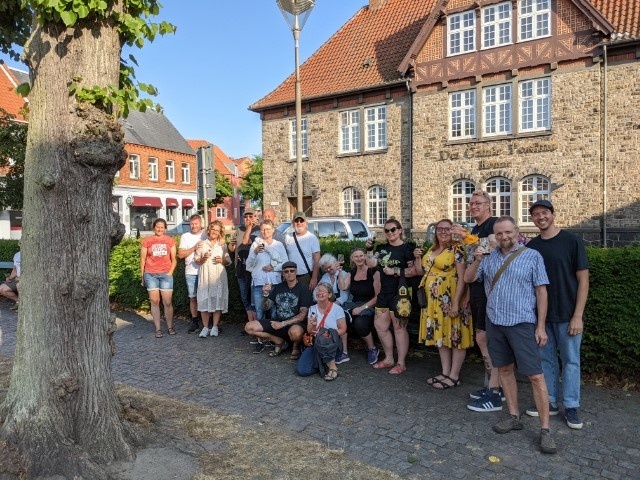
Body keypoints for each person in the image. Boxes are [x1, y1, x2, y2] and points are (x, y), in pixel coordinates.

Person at [464, 216, 557, 454]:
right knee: (504, 370)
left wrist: (540, 326)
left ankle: (545, 429)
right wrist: (476, 260)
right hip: (495, 323)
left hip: (523, 324)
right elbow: (468, 278)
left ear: (516, 231)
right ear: (494, 235)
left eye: (508, 232)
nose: (504, 237)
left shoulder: (532, 256)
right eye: (499, 233)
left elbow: (541, 292)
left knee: (536, 376)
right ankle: (514, 416)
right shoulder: (488, 257)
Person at [526, 200, 589, 430]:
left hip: (568, 314)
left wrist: (577, 315)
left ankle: (571, 406)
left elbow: (583, 280)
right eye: (535, 214)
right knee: (546, 360)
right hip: (542, 317)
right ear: (532, 219)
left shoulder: (571, 241)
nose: (540, 217)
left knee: (571, 361)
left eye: (544, 213)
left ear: (553, 214)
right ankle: (550, 401)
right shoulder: (532, 247)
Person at [452, 191, 503, 411]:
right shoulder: (474, 229)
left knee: (488, 340)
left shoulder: (495, 225)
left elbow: (493, 248)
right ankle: (492, 385)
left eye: (478, 203)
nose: (473, 207)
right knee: (482, 338)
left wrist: (467, 239)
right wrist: (467, 295)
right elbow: (473, 261)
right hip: (477, 289)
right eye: (471, 203)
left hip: (492, 291)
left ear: (489, 206)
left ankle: (496, 392)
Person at [417, 219, 472, 389]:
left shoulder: (457, 249)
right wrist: (418, 258)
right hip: (434, 302)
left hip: (450, 298)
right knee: (441, 335)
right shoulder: (432, 249)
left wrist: (456, 302)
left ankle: (454, 376)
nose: (443, 232)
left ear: (453, 231)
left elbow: (463, 278)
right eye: (439, 229)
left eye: (447, 229)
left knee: (455, 336)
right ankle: (445, 372)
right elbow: (423, 271)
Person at [365, 218, 422, 374]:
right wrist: (369, 250)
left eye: (393, 229)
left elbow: (415, 271)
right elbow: (371, 264)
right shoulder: (382, 248)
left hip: (401, 293)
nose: (390, 233)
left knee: (399, 328)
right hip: (384, 293)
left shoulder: (407, 249)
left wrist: (395, 271)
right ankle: (389, 358)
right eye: (387, 230)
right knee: (380, 326)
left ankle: (401, 363)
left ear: (400, 230)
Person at [244, 261, 312, 357]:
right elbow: (265, 307)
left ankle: (296, 346)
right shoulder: (278, 287)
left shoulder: (303, 289)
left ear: (296, 272)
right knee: (249, 327)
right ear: (283, 274)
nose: (289, 273)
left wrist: (283, 324)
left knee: (296, 332)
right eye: (286, 271)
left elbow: (302, 316)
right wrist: (266, 294)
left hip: (295, 324)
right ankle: (279, 342)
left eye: (292, 271)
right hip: (278, 321)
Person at [296, 282, 347, 381]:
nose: (320, 293)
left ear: (330, 294)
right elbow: (310, 331)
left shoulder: (337, 309)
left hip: (332, 343)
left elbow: (343, 329)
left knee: (324, 337)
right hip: (316, 342)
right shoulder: (312, 309)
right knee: (302, 371)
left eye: (323, 291)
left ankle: (333, 368)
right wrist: (313, 325)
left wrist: (330, 334)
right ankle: (323, 362)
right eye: (318, 291)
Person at [338, 247, 381, 365]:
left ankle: (372, 348)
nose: (359, 258)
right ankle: (344, 352)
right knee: (342, 319)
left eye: (361, 255)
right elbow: (343, 287)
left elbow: (378, 297)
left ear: (365, 256)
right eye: (356, 256)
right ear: (352, 259)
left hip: (370, 306)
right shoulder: (351, 273)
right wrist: (340, 272)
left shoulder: (373, 272)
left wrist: (362, 308)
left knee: (360, 324)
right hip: (354, 305)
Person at [140, 218, 177, 338]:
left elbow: (174, 259)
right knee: (155, 302)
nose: (160, 229)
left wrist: (170, 272)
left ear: (165, 228)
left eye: (162, 227)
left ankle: (170, 327)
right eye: (157, 227)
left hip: (166, 274)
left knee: (167, 302)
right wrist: (142, 276)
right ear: (154, 228)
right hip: (150, 274)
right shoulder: (147, 241)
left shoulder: (170, 241)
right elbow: (143, 260)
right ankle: (158, 329)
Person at [246, 219, 288, 324]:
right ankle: (261, 337)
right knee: (260, 312)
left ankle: (273, 337)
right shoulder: (256, 244)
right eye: (263, 230)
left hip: (275, 282)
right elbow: (248, 265)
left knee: (274, 312)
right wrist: (254, 253)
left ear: (273, 230)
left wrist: (273, 267)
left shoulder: (278, 245)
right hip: (259, 282)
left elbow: (285, 263)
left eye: (268, 229)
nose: (265, 232)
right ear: (260, 231)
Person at [194, 221, 232, 338]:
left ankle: (215, 326)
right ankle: (205, 327)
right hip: (205, 275)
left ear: (220, 232)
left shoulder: (222, 245)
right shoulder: (201, 244)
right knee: (204, 300)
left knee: (217, 301)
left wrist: (222, 260)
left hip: (218, 276)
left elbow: (228, 261)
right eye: (213, 229)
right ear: (209, 230)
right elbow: (196, 260)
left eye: (217, 230)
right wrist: (203, 259)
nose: (214, 232)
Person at [228, 208, 261, 327]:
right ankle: (250, 323)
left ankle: (255, 324)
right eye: (246, 216)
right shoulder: (238, 229)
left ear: (255, 217)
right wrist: (231, 246)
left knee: (254, 298)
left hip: (254, 271)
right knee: (244, 297)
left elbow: (246, 242)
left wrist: (249, 228)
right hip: (241, 269)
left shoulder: (259, 230)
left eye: (250, 216)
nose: (248, 219)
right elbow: (233, 249)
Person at [315, 253, 350, 363]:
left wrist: (332, 306)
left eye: (330, 267)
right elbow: (317, 291)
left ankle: (344, 352)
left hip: (343, 304)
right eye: (326, 269)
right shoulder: (325, 277)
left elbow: (344, 294)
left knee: (341, 320)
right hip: (328, 305)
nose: (329, 270)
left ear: (336, 263)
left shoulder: (344, 274)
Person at [178, 214, 206, 333]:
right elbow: (180, 254)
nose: (194, 226)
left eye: (196, 224)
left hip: (205, 271)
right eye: (192, 224)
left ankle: (207, 323)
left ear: (200, 224)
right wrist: (194, 248)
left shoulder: (206, 234)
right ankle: (195, 322)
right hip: (190, 272)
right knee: (193, 298)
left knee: (205, 297)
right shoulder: (185, 236)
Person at [284, 211, 320, 290]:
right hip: (291, 277)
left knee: (306, 301)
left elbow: (317, 260)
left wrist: (314, 278)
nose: (299, 223)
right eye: (296, 221)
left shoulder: (312, 238)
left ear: (306, 222)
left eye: (301, 220)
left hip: (306, 277)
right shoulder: (288, 237)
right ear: (293, 223)